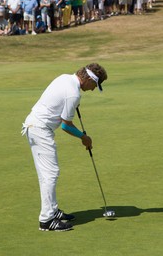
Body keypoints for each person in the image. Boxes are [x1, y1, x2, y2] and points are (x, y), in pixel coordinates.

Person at [21, 63, 108, 232]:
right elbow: (66, 126)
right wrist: (85, 138)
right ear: (88, 79)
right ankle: (47, 220)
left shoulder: (65, 78)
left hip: (36, 126)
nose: (92, 90)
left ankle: (53, 211)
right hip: (39, 129)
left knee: (48, 173)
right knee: (50, 174)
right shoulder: (73, 93)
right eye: (94, 86)